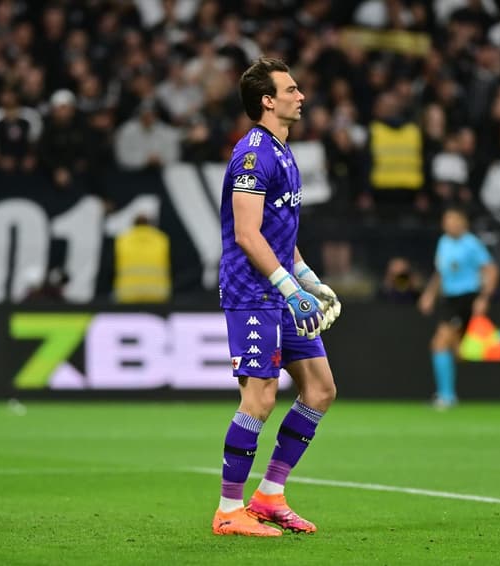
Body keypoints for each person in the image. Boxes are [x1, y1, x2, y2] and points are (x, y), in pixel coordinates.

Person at [212, 58, 341, 537]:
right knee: (260, 397)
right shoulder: (252, 155)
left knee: (321, 389)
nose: (300, 95)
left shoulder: (285, 152)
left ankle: (269, 496)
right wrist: (289, 288)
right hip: (253, 294)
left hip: (282, 291)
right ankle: (229, 510)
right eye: (291, 89)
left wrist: (306, 277)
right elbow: (247, 234)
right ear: (268, 100)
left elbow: (279, 230)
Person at [418, 207, 500, 409]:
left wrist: (484, 297)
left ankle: (447, 397)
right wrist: (429, 294)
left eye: (454, 219)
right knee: (461, 352)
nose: (450, 224)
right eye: (447, 220)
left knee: (439, 343)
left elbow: (491, 270)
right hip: (450, 299)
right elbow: (441, 272)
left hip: (467, 297)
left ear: (463, 223)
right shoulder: (443, 242)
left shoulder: (471, 244)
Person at [113, 214, 171, 303]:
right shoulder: (161, 239)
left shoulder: (122, 240)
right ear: (150, 224)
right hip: (157, 295)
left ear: (133, 224)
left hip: (128, 294)